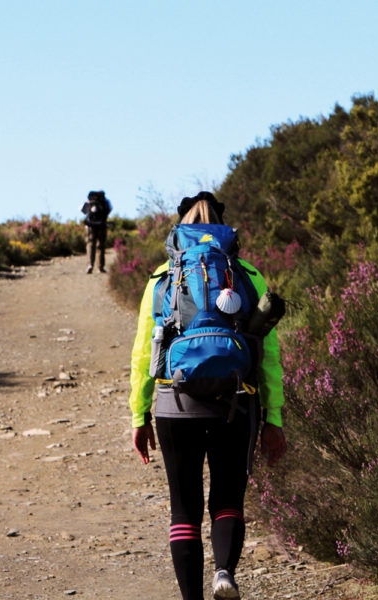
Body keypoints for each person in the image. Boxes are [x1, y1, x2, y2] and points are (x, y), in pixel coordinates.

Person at [127, 191, 288, 600]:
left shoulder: (161, 276)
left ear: (180, 226)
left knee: (183, 507)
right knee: (227, 498)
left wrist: (139, 415)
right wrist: (274, 418)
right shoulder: (248, 273)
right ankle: (224, 574)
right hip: (237, 398)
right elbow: (267, 354)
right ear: (221, 224)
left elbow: (144, 352)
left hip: (173, 402)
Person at [81, 190, 111, 273]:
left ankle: (90, 264)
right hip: (102, 225)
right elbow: (109, 210)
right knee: (101, 246)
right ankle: (101, 267)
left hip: (90, 226)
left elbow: (83, 211)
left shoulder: (89, 201)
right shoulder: (105, 201)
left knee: (90, 244)